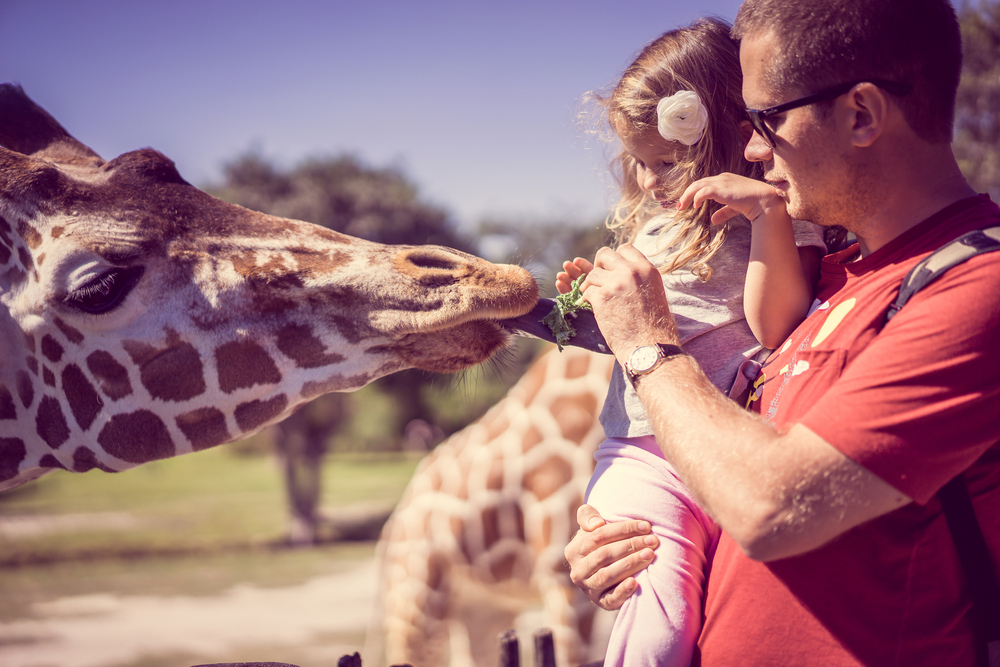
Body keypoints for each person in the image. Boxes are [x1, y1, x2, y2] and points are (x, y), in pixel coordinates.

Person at [563, 0, 1000, 665]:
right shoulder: (827, 277)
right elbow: (726, 469)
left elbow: (771, 505)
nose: (753, 148)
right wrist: (624, 542)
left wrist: (648, 345)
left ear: (861, 113)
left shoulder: (978, 287)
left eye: (767, 119)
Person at [554, 17, 827, 666]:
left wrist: (766, 215)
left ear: (733, 138)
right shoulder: (653, 231)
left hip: (726, 450)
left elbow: (773, 326)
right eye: (641, 165)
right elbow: (629, 338)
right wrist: (586, 298)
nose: (649, 182)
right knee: (660, 632)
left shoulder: (787, 221)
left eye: (667, 162)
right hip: (644, 456)